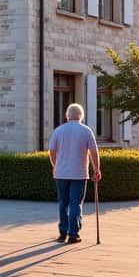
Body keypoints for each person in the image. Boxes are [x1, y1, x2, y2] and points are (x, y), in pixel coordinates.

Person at [47, 103, 101, 244]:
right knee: (76, 204)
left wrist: (55, 165)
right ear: (81, 116)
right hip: (79, 173)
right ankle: (73, 234)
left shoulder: (59, 130)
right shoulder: (86, 130)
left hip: (61, 173)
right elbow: (94, 151)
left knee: (63, 203)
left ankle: (62, 233)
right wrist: (97, 169)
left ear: (67, 116)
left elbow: (51, 151)